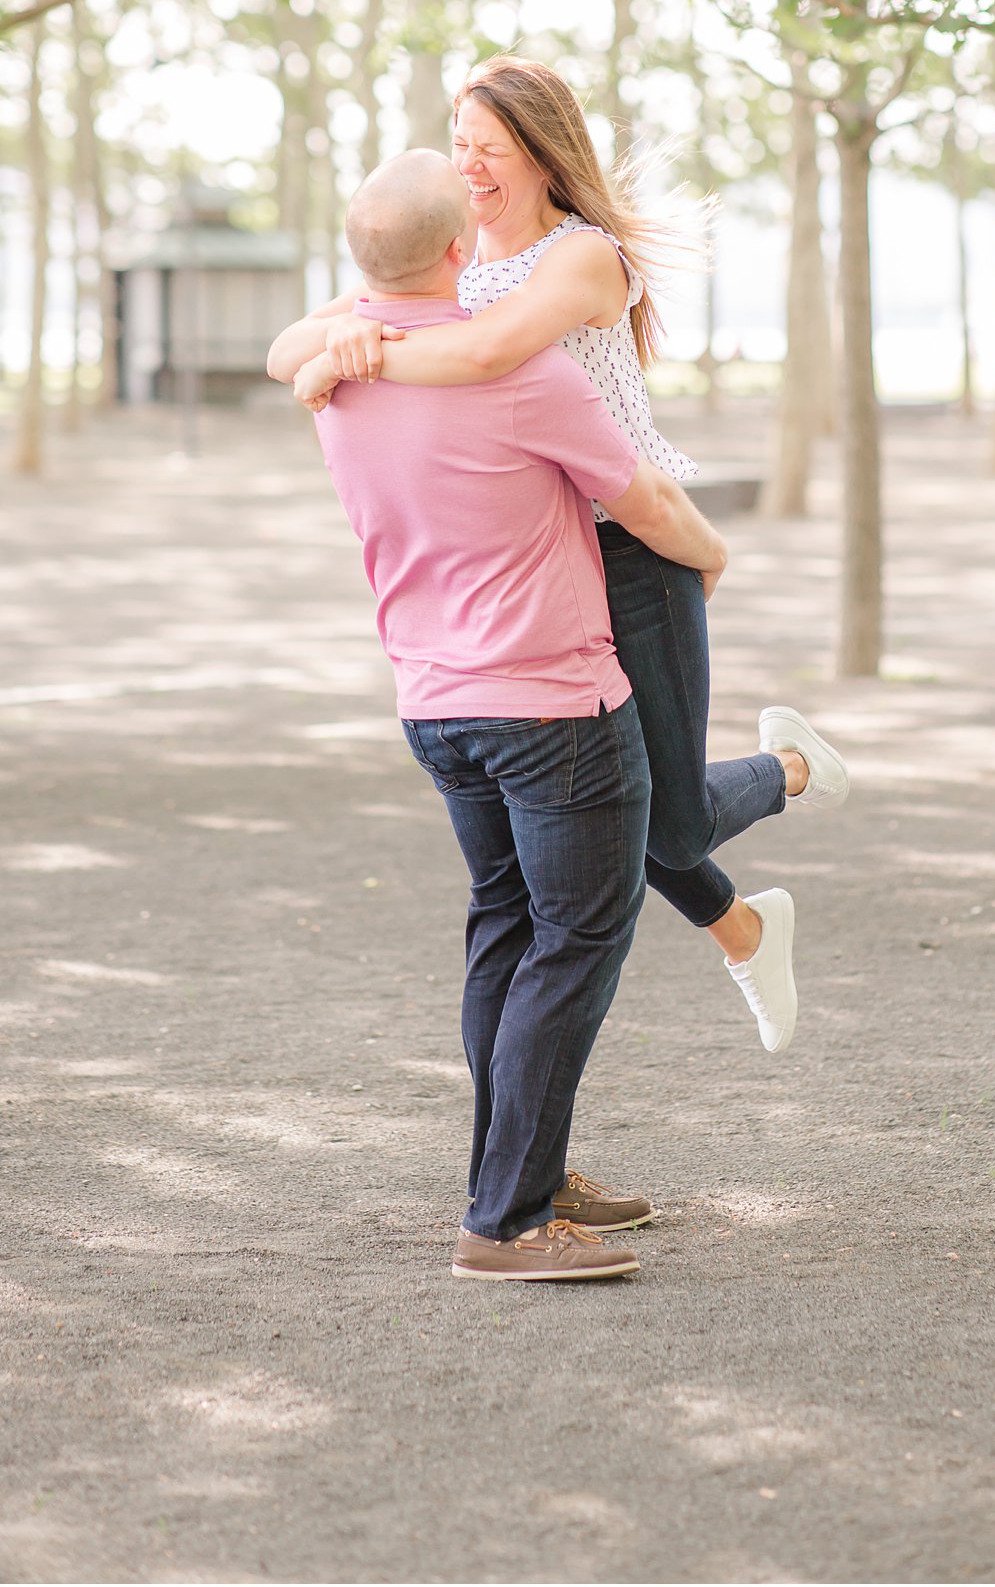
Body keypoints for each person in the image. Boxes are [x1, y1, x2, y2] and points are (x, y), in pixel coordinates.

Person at [267, 54, 849, 1055]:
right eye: (458, 146)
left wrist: (358, 351)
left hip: (633, 544)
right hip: (531, 566)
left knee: (664, 828)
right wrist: (325, 351)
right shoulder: (442, 260)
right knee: (616, 831)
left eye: (486, 148)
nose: (469, 166)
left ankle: (791, 766)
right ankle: (747, 931)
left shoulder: (581, 258)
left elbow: (490, 355)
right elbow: (284, 353)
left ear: (540, 154)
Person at [308, 150, 729, 1280]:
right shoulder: (527, 375)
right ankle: (505, 1225)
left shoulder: (338, 377)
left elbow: (307, 345)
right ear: (462, 253)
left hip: (434, 708)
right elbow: (635, 498)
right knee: (576, 939)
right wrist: (711, 555)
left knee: (506, 929)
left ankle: (517, 1180)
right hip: (551, 705)